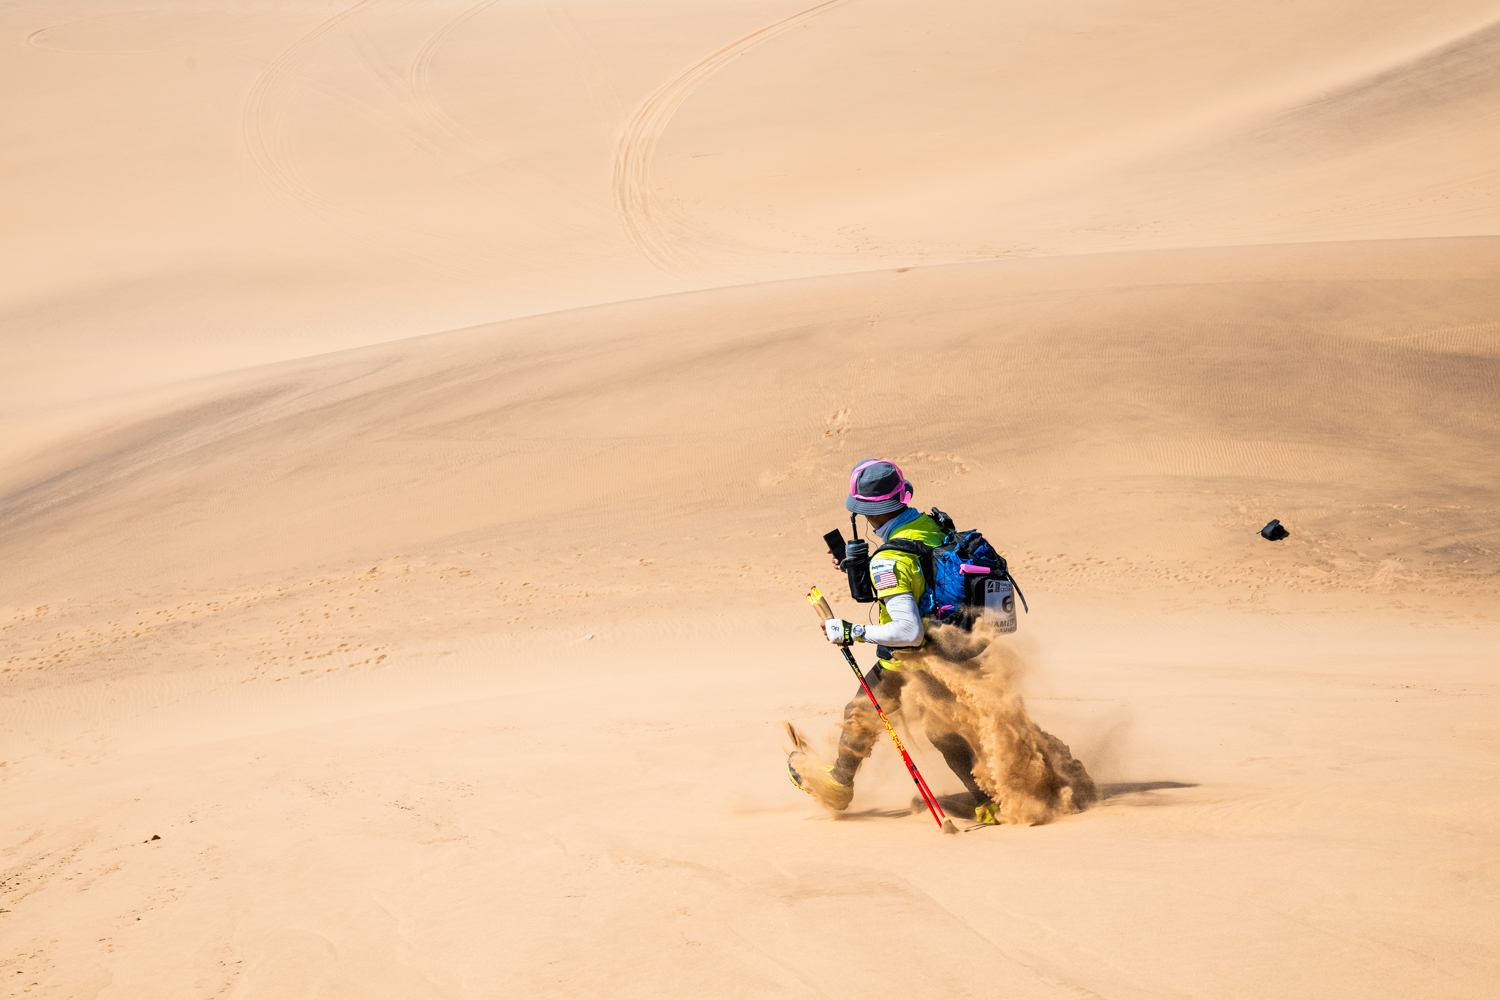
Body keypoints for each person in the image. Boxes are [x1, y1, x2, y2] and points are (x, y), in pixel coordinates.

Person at [789, 459, 1002, 825]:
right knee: (942, 731)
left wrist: (851, 631)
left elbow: (908, 631)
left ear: (867, 512)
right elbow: (922, 579)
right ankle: (994, 800)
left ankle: (838, 785)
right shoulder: (930, 524)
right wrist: (862, 570)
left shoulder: (888, 561)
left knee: (860, 713)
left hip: (911, 658)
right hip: (951, 646)